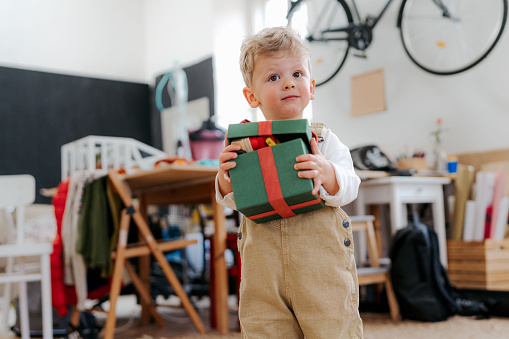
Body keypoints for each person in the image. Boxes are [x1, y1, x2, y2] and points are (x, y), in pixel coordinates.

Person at [216, 26, 363, 338]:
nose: (288, 83)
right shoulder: (243, 145)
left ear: (311, 86)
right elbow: (230, 198)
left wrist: (328, 173)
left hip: (321, 267)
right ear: (251, 96)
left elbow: (351, 183)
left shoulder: (322, 139)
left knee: (331, 326)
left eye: (297, 74)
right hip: (262, 273)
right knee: (263, 326)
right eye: (273, 77)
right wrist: (225, 178)